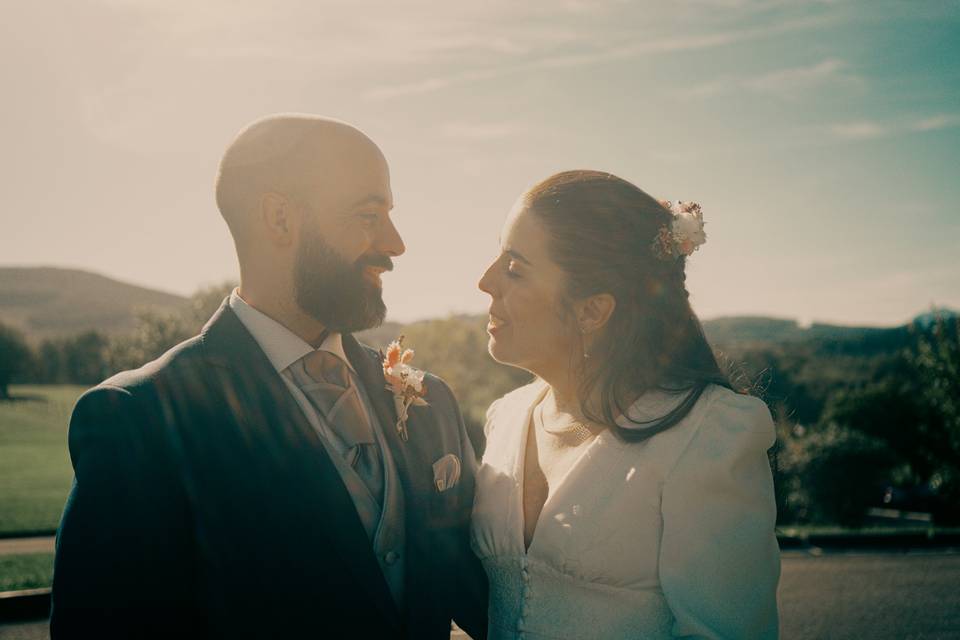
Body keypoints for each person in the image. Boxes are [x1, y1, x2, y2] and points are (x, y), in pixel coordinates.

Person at [51, 114, 487, 639]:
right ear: (280, 217)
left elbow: (489, 596)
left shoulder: (428, 399)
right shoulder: (140, 420)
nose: (395, 244)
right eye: (369, 215)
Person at [472, 170, 780, 639]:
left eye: (515, 268)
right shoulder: (504, 419)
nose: (485, 281)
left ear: (592, 311)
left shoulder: (707, 434)